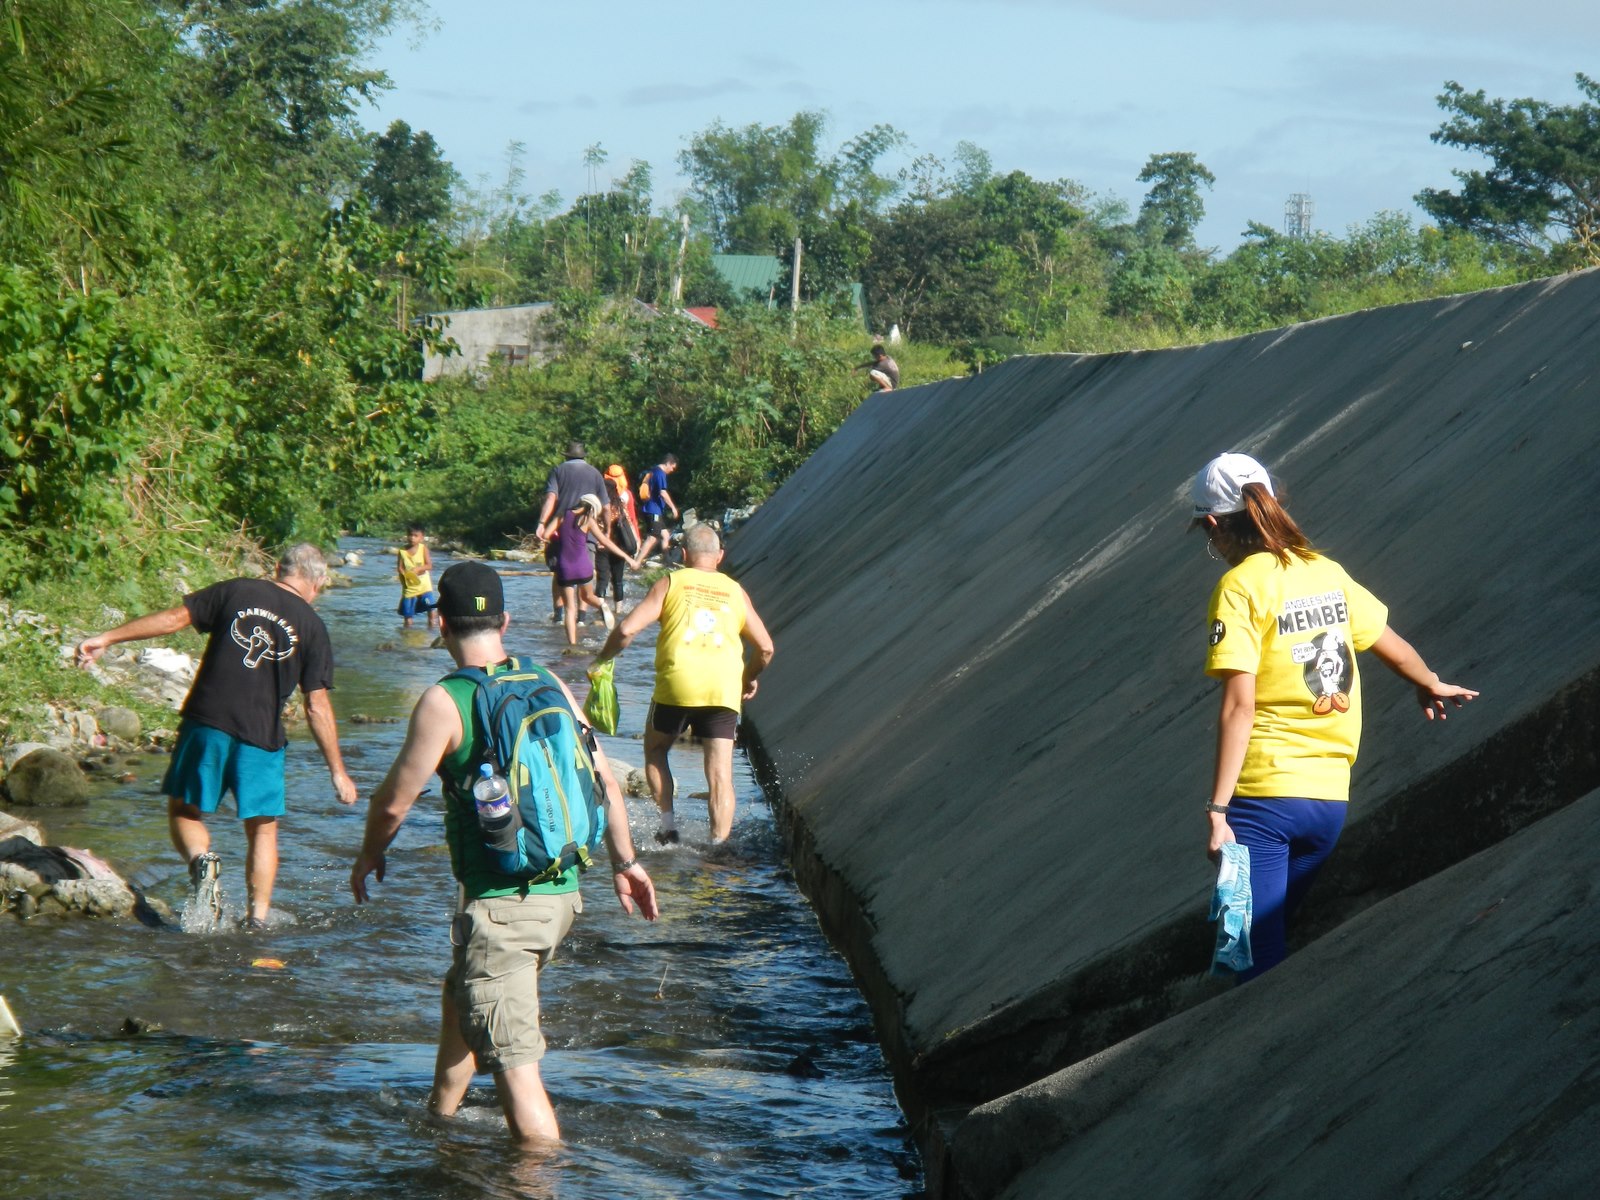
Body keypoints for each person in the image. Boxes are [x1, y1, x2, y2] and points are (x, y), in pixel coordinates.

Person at [349, 561, 657, 1144]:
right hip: (561, 895)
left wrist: (369, 854)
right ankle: (439, 1123)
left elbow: (392, 804)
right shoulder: (547, 680)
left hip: (502, 910)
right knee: (463, 995)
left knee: (517, 1072)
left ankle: (541, 1175)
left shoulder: (446, 701)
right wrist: (626, 864)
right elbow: (605, 782)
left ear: (440, 623)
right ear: (505, 621)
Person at [1192, 452, 1477, 982]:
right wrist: (1430, 682)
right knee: (1264, 935)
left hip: (1263, 804)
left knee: (1252, 958)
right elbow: (1393, 647)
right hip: (1328, 804)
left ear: (1212, 524)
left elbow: (1239, 706)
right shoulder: (1324, 571)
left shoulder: (1238, 588)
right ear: (1271, 500)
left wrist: (1218, 810)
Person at [75, 543, 358, 926]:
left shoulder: (238, 589)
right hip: (262, 736)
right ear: (318, 582)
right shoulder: (313, 626)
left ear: (278, 568)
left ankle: (201, 861)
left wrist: (107, 638)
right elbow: (316, 705)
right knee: (263, 829)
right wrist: (338, 771)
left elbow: (174, 619)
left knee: (185, 810)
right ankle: (257, 920)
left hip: (208, 721)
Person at [593, 523, 774, 845]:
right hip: (723, 689)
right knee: (720, 775)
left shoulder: (670, 582)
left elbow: (626, 630)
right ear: (720, 556)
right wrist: (748, 679)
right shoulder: (735, 591)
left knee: (656, 750)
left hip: (677, 685)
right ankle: (718, 846)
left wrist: (603, 659)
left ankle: (668, 827)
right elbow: (766, 648)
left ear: (684, 553)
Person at [536, 440, 608, 625]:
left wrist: (542, 523)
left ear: (566, 456)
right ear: (583, 455)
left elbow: (551, 498)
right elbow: (606, 506)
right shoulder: (595, 473)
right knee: (586, 575)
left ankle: (559, 616)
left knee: (559, 572)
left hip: (561, 531)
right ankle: (581, 619)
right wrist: (607, 531)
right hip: (587, 532)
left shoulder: (558, 471)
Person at [553, 493, 639, 645]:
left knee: (570, 609)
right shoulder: (589, 521)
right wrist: (628, 558)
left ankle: (572, 645)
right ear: (592, 508)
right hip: (583, 566)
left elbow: (546, 533)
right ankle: (602, 605)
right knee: (587, 596)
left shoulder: (562, 515)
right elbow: (606, 541)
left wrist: (556, 538)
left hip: (565, 567)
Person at [594, 477, 640, 616]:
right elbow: (629, 524)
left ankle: (601, 609)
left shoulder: (599, 505)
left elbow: (594, 525)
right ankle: (618, 611)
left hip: (602, 547)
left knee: (602, 579)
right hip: (620, 547)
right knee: (618, 581)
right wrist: (636, 541)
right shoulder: (620, 505)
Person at [635, 453, 680, 563]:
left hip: (653, 509)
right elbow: (662, 493)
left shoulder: (653, 470)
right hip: (653, 510)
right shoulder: (660, 474)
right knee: (653, 537)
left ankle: (667, 561)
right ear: (668, 463)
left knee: (665, 535)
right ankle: (636, 562)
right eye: (672, 467)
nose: (672, 470)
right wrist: (673, 508)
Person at [396, 523, 439, 630]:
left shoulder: (423, 549)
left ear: (421, 537)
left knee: (431, 608)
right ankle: (408, 633)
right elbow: (400, 568)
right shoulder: (402, 551)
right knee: (408, 615)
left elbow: (429, 565)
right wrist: (404, 577)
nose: (412, 538)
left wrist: (418, 569)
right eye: (410, 535)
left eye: (416, 536)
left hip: (424, 587)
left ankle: (432, 630)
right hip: (410, 587)